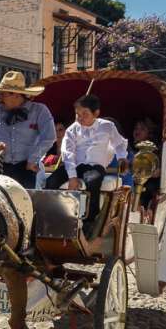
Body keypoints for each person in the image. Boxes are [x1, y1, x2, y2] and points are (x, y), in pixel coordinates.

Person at [45, 94, 128, 232]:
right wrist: (72, 176)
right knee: (51, 181)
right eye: (78, 114)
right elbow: (68, 153)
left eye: (85, 114)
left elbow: (119, 144)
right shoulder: (72, 129)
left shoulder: (107, 126)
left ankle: (89, 221)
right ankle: (51, 216)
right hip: (75, 166)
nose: (80, 118)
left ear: (96, 113)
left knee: (92, 181)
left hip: (96, 166)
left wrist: (121, 157)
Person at [0, 70, 56, 190]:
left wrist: (33, 159)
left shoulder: (39, 111)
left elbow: (49, 137)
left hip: (26, 167)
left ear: (16, 95)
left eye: (3, 94)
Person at [130, 117, 161, 212]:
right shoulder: (126, 147)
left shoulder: (154, 151)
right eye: (136, 128)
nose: (137, 131)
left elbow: (157, 172)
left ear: (149, 133)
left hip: (146, 183)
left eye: (142, 129)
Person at [36, 120, 67, 188]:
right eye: (55, 130)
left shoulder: (70, 146)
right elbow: (46, 164)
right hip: (51, 170)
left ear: (66, 131)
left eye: (60, 130)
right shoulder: (50, 146)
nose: (57, 133)